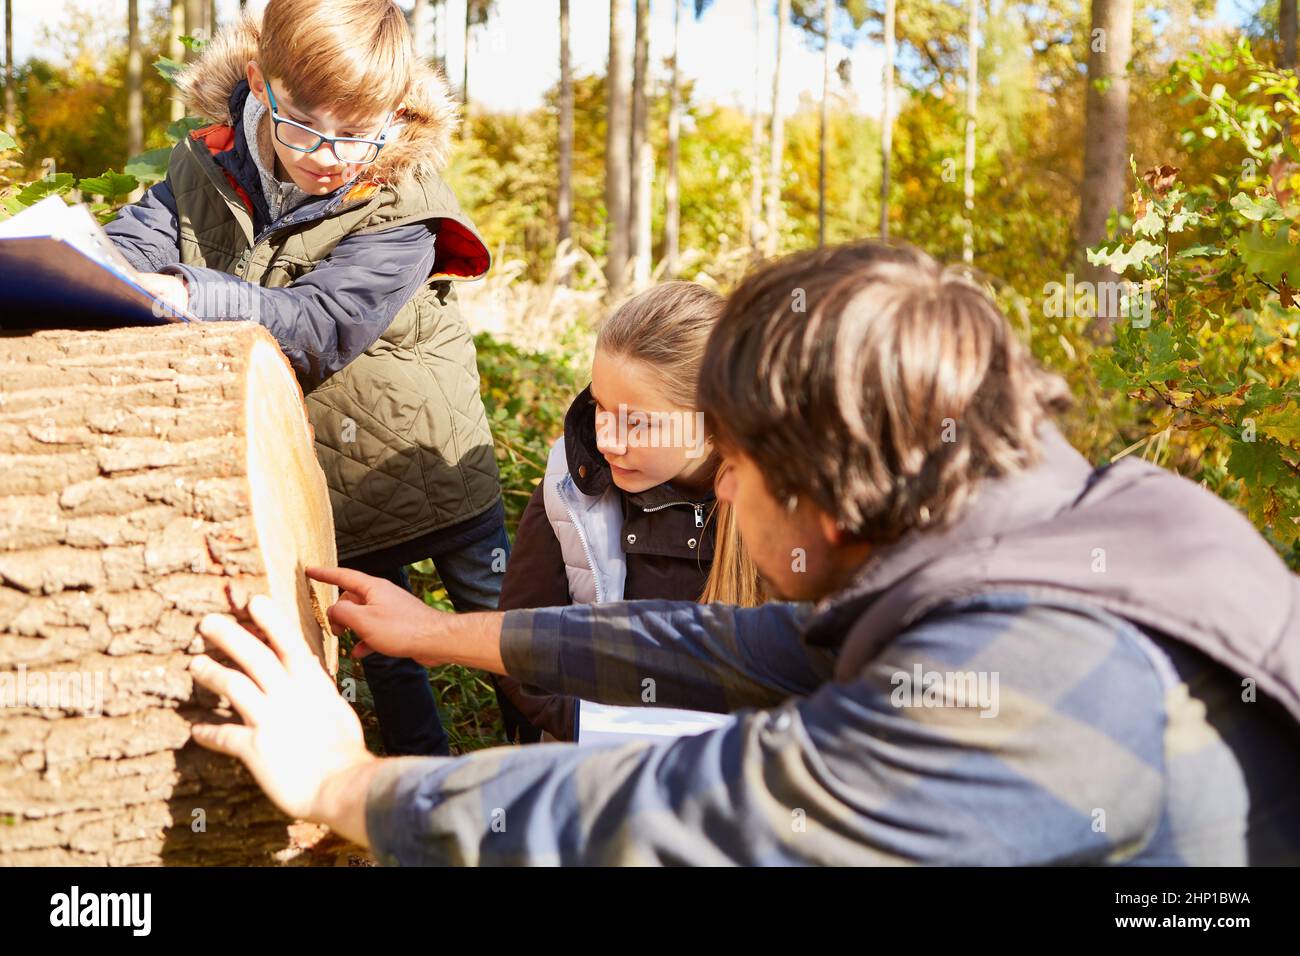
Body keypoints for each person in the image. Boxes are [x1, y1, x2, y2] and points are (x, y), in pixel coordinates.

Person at [189, 241, 1300, 865]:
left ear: (817, 488)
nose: (720, 485)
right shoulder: (1083, 523)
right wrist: (438, 633)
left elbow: (682, 811)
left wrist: (347, 782)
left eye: (737, 465)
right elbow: (726, 644)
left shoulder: (1031, 675)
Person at [105, 0, 509, 759]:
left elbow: (320, 327)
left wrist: (197, 295)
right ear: (261, 83)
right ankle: (423, 783)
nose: (327, 156)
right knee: (378, 646)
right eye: (302, 126)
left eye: (355, 135)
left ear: (392, 113)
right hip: (326, 474)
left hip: (428, 464)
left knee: (501, 628)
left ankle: (555, 757)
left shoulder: (404, 204)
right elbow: (126, 246)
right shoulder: (205, 163)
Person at [495, 282, 766, 743]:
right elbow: (522, 652)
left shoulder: (783, 513)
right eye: (600, 407)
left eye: (637, 421)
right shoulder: (570, 486)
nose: (607, 441)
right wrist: (598, 731)